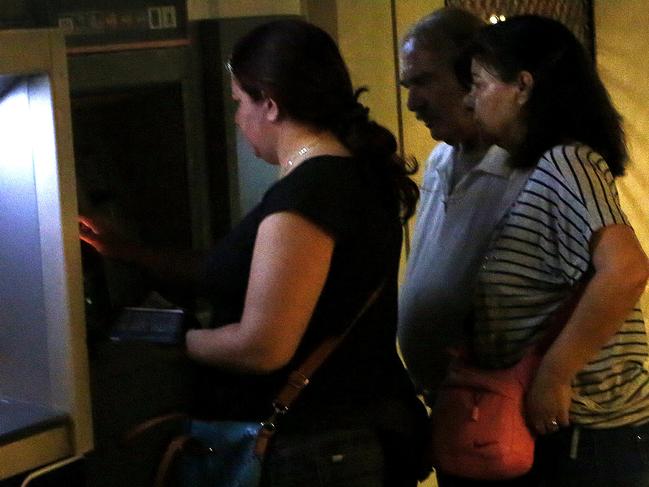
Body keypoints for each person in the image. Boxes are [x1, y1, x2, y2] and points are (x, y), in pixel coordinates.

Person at [80, 18, 428, 487]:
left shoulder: (309, 194)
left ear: (270, 103)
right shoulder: (347, 178)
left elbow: (262, 346)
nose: (237, 117)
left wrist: (173, 341)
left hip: (312, 449)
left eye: (240, 103)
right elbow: (237, 272)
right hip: (339, 441)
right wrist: (128, 251)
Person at [464, 15, 649, 486]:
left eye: (479, 84)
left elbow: (625, 269)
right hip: (568, 431)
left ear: (523, 86)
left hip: (590, 434)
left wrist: (554, 374)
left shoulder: (567, 161)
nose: (470, 99)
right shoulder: (542, 169)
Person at [397, 6, 527, 449]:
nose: (412, 102)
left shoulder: (527, 167)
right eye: (407, 86)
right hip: (455, 415)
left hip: (510, 422)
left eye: (423, 81)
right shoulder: (438, 161)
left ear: (471, 73)